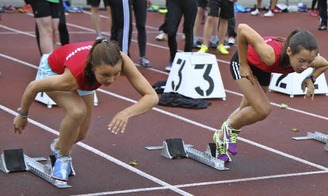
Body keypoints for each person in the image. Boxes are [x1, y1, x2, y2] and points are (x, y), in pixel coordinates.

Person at [12, 39, 159, 182]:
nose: (112, 80)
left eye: (116, 74)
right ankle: (63, 157)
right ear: (93, 67)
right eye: (106, 75)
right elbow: (33, 86)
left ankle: (58, 145)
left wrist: (125, 113)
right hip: (54, 71)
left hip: (85, 79)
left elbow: (152, 96)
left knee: (80, 135)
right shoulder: (70, 79)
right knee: (77, 111)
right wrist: (23, 115)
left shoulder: (121, 59)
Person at [211, 24, 328, 162]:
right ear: (290, 51)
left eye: (309, 62)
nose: (304, 66)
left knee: (247, 109)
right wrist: (243, 64)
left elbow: (325, 64)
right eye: (301, 61)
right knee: (263, 109)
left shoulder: (309, 59)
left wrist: (310, 79)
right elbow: (242, 29)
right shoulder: (270, 55)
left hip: (263, 69)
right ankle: (229, 130)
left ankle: (219, 139)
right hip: (244, 63)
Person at [164, 0, 197, 71]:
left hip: (190, 2)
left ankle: (186, 60)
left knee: (188, 31)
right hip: (174, 2)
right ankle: (173, 59)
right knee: (171, 31)